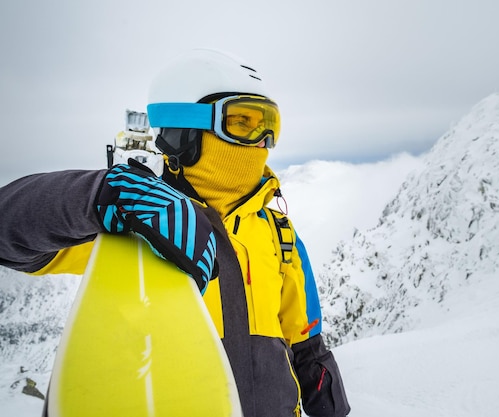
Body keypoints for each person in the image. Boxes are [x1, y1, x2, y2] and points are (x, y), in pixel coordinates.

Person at [0, 48, 350, 417]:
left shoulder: (278, 231)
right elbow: (8, 232)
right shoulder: (136, 221)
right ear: (185, 132)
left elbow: (308, 347)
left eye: (270, 126)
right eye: (242, 122)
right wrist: (99, 195)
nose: (262, 140)